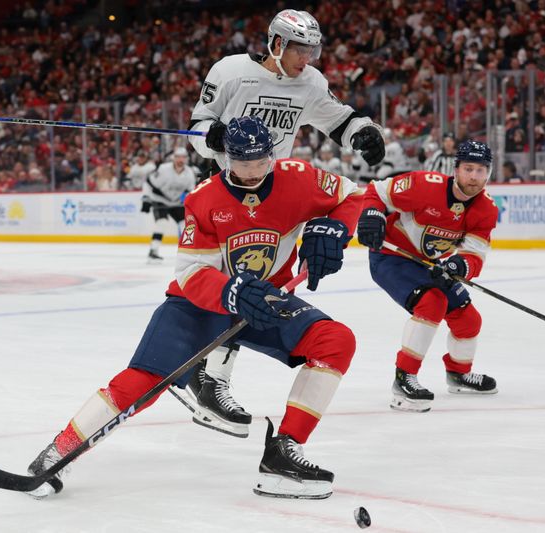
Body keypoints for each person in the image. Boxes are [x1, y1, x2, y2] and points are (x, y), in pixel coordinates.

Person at [25, 116, 361, 500]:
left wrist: (334, 228)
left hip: (264, 297)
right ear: (225, 159)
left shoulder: (299, 177)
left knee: (335, 341)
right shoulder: (203, 200)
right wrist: (231, 293)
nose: (252, 174)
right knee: (143, 380)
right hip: (199, 304)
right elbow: (191, 273)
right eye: (242, 165)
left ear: (272, 155)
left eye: (260, 163)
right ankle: (59, 452)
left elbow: (353, 195)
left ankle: (283, 454)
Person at [183, 8, 384, 436]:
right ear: (276, 43)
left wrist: (361, 134)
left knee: (263, 282)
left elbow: (335, 117)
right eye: (300, 49)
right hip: (228, 188)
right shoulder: (232, 71)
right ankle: (210, 379)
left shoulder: (310, 82)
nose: (307, 58)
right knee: (233, 283)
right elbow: (197, 129)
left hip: (275, 193)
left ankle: (206, 373)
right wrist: (211, 136)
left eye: (313, 50)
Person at [355, 140, 499, 412]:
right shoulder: (425, 185)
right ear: (456, 169)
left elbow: (475, 253)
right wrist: (372, 213)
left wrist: (459, 266)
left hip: (427, 264)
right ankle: (403, 378)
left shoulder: (486, 209)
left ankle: (458, 374)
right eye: (468, 169)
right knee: (432, 302)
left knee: (468, 318)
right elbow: (377, 190)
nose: (474, 177)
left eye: (481, 170)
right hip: (390, 257)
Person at [141, 147, 196, 262]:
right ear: (173, 158)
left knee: (185, 225)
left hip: (176, 202)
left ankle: (186, 252)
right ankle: (153, 251)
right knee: (162, 223)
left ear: (186, 159)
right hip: (159, 200)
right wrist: (146, 198)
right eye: (178, 157)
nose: (180, 160)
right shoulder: (163, 169)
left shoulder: (189, 173)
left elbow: (191, 191)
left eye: (183, 157)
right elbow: (148, 182)